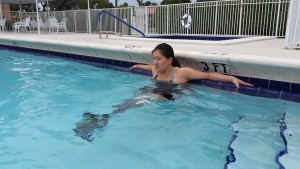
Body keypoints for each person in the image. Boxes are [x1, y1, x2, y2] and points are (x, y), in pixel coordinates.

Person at [129, 43, 253, 88]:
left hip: (175, 100)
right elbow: (149, 66)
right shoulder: (155, 70)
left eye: (158, 59)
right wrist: (138, 66)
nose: (155, 62)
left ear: (169, 60)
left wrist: (231, 78)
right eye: (154, 59)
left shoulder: (182, 73)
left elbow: (208, 75)